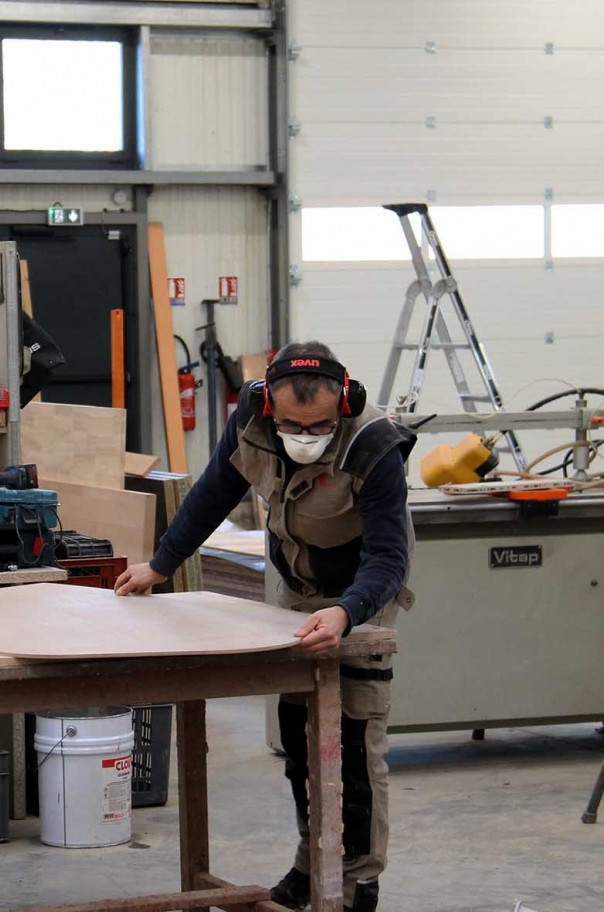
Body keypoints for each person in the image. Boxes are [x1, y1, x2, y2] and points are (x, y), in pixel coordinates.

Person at [114, 341, 415, 912]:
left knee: (352, 739)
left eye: (320, 424)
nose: (305, 435)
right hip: (297, 589)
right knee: (300, 735)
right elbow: (210, 496)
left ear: (344, 404)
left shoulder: (376, 444)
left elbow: (388, 557)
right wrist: (161, 564)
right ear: (270, 407)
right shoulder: (252, 420)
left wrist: (349, 612)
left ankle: (356, 882)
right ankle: (311, 862)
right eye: (293, 424)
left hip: (361, 595)